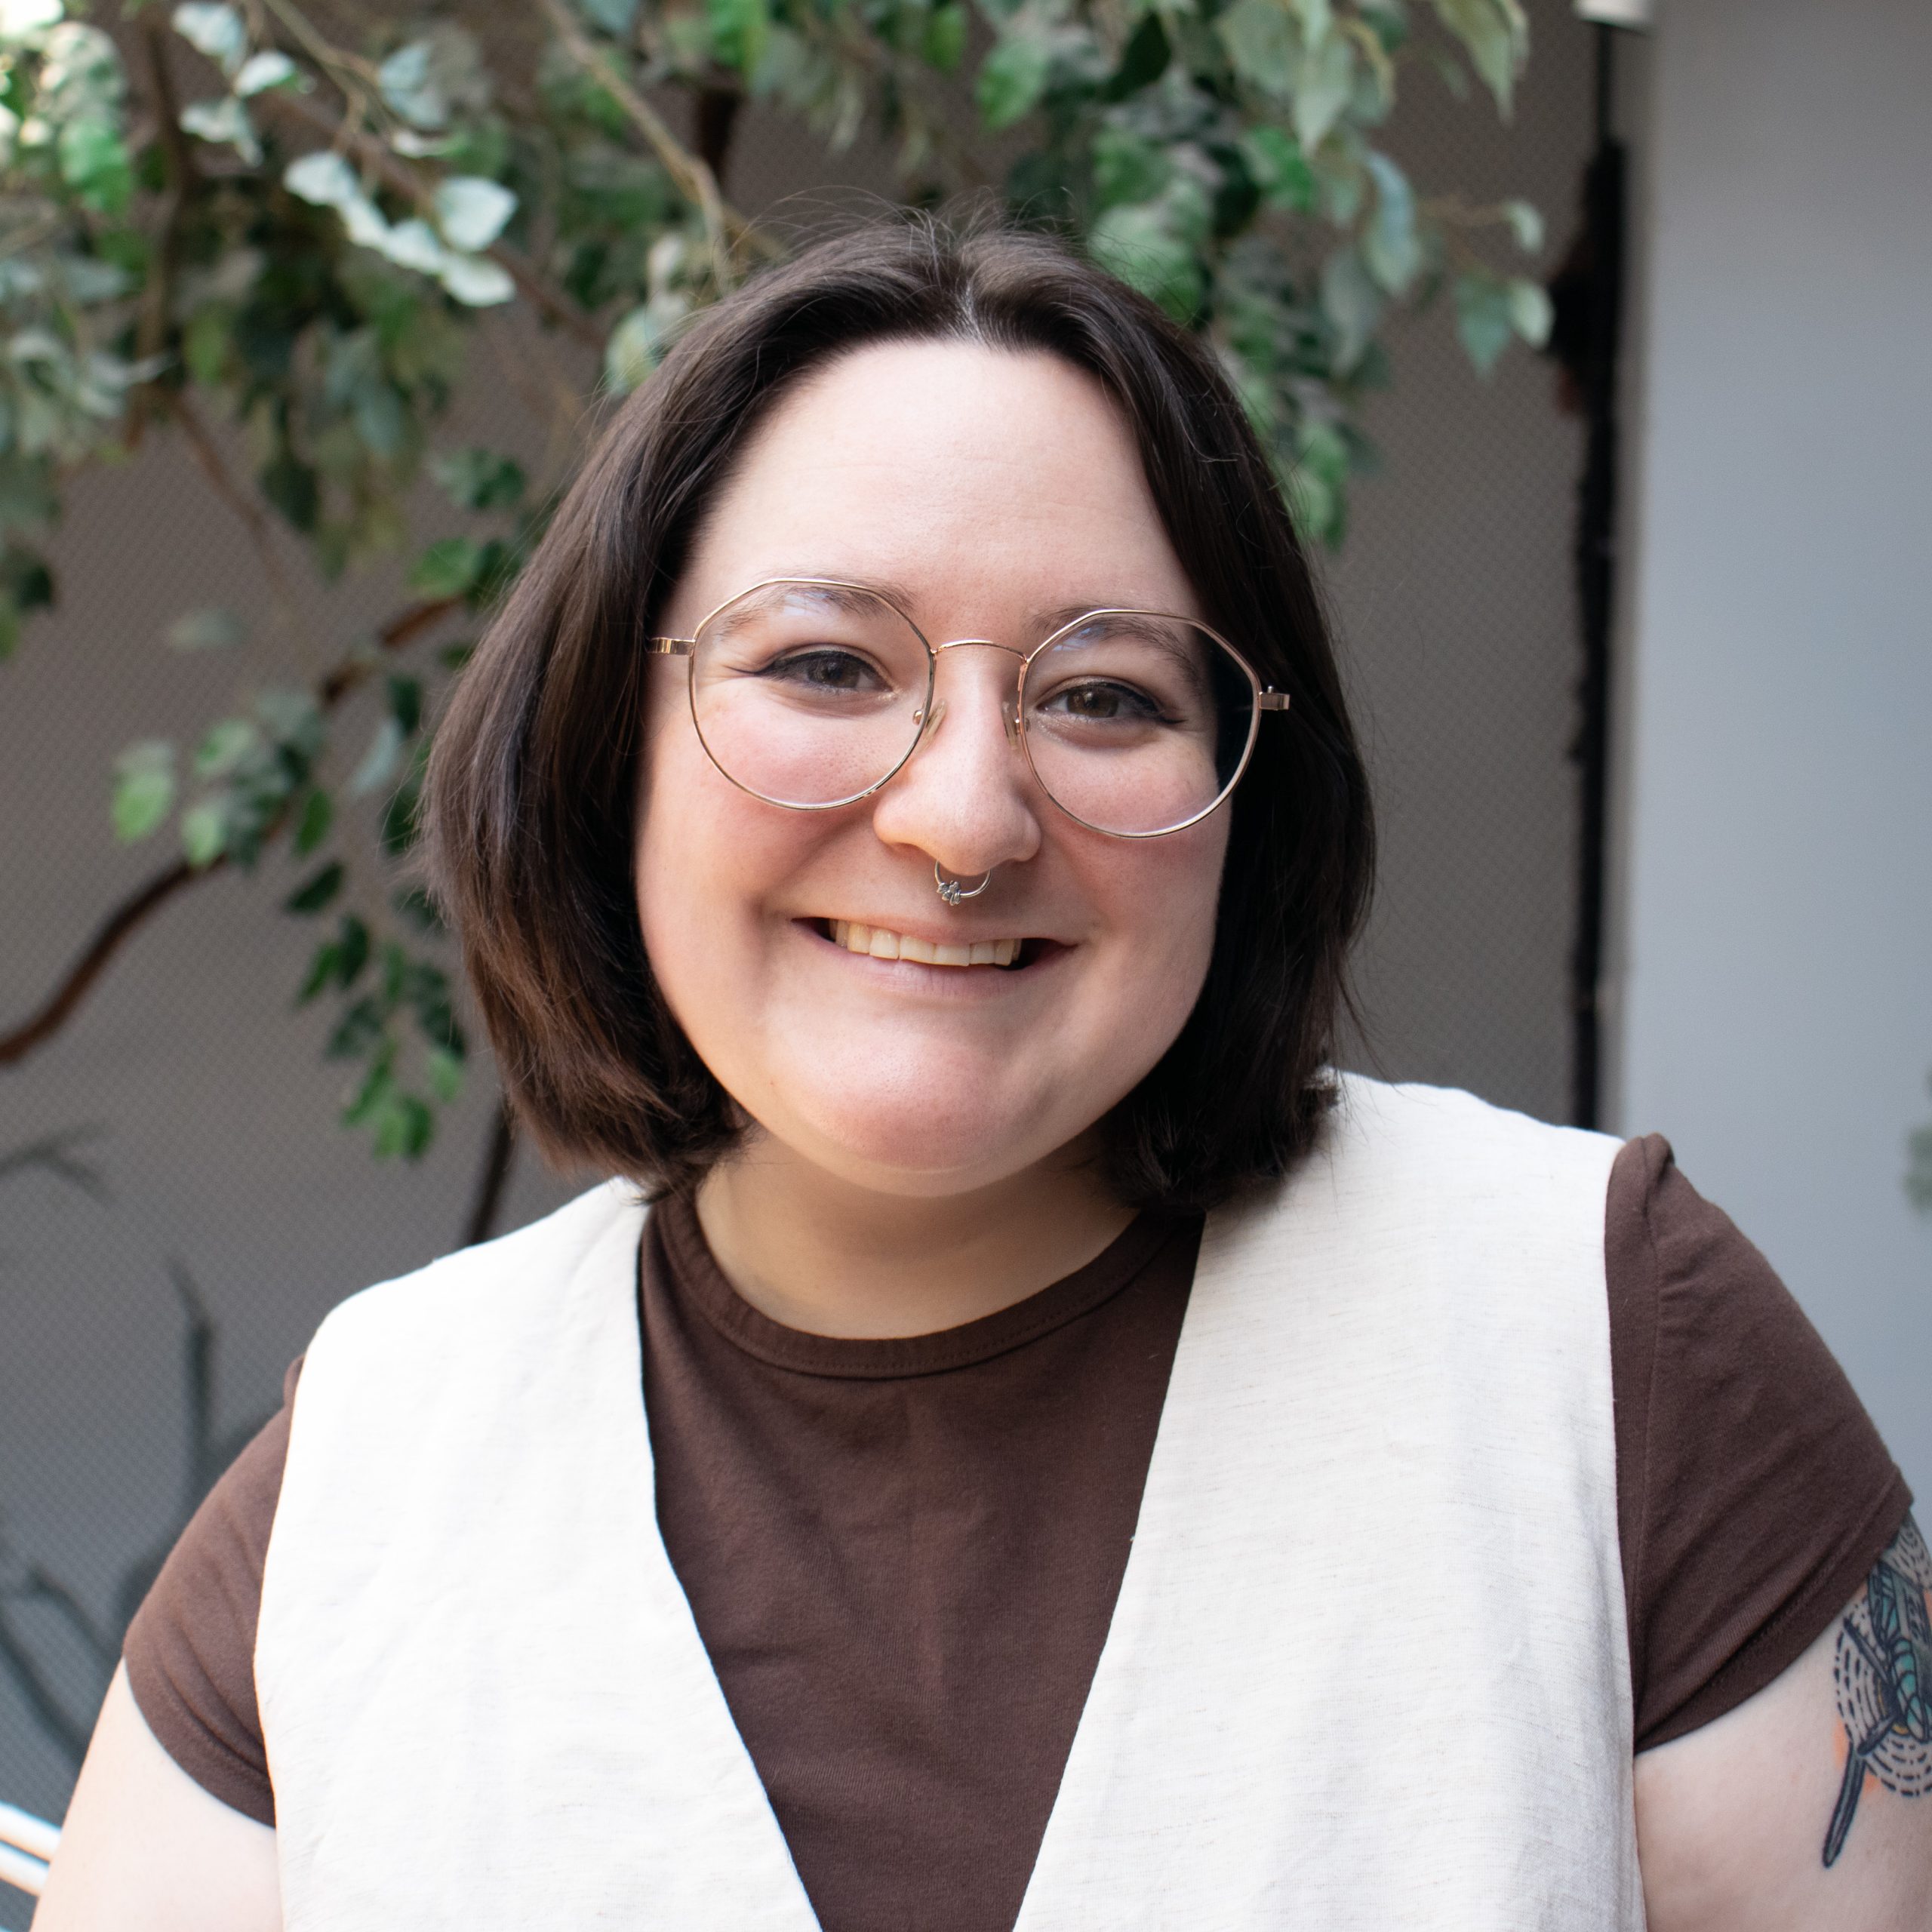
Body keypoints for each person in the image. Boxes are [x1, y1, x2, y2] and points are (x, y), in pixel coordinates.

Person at [35, 214, 1928, 1931]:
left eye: (1103, 694)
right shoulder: (371, 1471)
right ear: (616, 738)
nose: (960, 819)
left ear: (1244, 804)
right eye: (824, 665)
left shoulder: (1600, 1338)